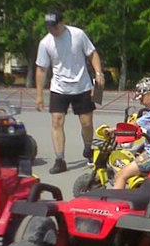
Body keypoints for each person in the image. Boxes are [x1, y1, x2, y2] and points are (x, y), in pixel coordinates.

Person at [35, 10, 105, 174]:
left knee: (86, 123)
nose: (52, 30)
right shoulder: (45, 43)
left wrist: (99, 73)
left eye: (55, 26)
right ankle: (60, 160)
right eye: (49, 27)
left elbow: (92, 53)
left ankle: (88, 149)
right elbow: (41, 69)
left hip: (82, 86)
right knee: (57, 122)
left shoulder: (77, 35)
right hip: (59, 88)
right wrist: (39, 95)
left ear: (62, 23)